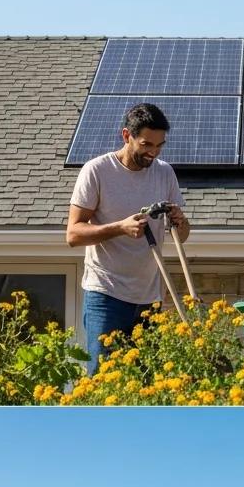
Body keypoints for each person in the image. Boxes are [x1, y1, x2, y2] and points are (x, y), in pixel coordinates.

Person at [66, 102, 191, 375]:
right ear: (127, 136)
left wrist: (180, 222)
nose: (153, 153)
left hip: (149, 296)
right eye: (147, 144)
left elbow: (182, 235)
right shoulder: (97, 171)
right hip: (106, 295)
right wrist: (120, 228)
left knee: (146, 382)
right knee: (103, 378)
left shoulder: (164, 172)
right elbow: (73, 234)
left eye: (159, 146)